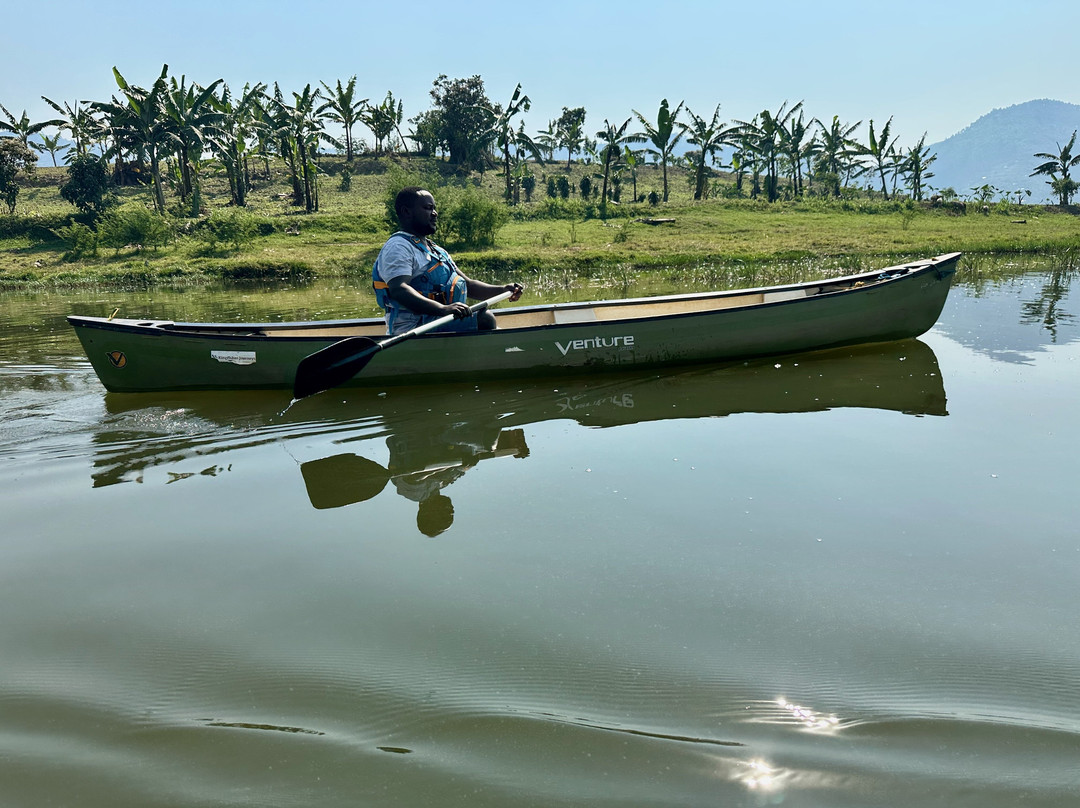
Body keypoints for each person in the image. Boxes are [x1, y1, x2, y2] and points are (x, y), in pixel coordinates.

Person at [372, 187, 523, 335]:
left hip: (441, 322)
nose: (434, 213)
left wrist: (503, 290)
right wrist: (442, 309)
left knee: (482, 314)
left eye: (434, 208)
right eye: (428, 208)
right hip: (414, 329)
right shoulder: (398, 246)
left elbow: (469, 285)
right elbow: (399, 289)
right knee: (485, 318)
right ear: (406, 212)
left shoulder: (436, 250)